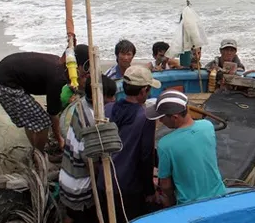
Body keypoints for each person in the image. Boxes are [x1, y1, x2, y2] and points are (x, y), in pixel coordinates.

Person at [0, 45, 89, 151]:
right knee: (43, 122)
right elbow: (53, 114)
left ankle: (35, 146)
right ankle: (39, 153)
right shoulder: (58, 78)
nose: (86, 74)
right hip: (5, 83)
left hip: (5, 73)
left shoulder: (60, 65)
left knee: (31, 118)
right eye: (86, 68)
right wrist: (60, 139)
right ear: (77, 67)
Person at [99, 66, 162, 221]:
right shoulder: (145, 118)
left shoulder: (107, 109)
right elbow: (146, 157)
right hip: (127, 189)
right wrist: (149, 191)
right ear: (143, 91)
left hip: (103, 182)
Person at [148, 90, 226, 206]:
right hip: (219, 193)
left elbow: (166, 186)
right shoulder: (207, 126)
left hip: (189, 204)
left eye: (162, 118)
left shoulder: (165, 145)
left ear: (175, 117)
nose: (160, 121)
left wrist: (168, 201)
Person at [59, 74, 117, 223]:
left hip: (66, 176)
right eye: (110, 96)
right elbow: (89, 161)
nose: (113, 100)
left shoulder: (81, 104)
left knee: (71, 216)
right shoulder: (92, 121)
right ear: (100, 96)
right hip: (80, 187)